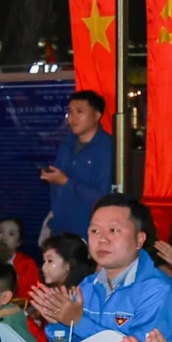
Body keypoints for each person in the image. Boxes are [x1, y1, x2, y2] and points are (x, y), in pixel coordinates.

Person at [29, 194, 172, 342]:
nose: (102, 239)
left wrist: (78, 321)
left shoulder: (158, 290)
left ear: (139, 240)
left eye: (113, 230)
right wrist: (58, 322)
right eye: (94, 231)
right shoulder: (86, 287)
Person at [41, 90, 115, 239]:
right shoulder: (67, 143)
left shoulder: (107, 147)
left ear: (97, 116)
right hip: (61, 229)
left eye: (79, 111)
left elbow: (103, 196)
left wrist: (65, 182)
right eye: (70, 112)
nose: (73, 117)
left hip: (90, 233)